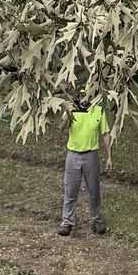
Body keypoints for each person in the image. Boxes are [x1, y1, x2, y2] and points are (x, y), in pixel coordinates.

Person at [60, 98, 109, 235]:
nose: (85, 99)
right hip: (73, 155)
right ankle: (67, 222)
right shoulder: (72, 110)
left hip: (91, 155)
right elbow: (61, 126)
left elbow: (105, 133)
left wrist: (109, 155)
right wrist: (67, 111)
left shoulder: (98, 111)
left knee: (94, 190)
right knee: (70, 190)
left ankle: (97, 220)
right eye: (83, 95)